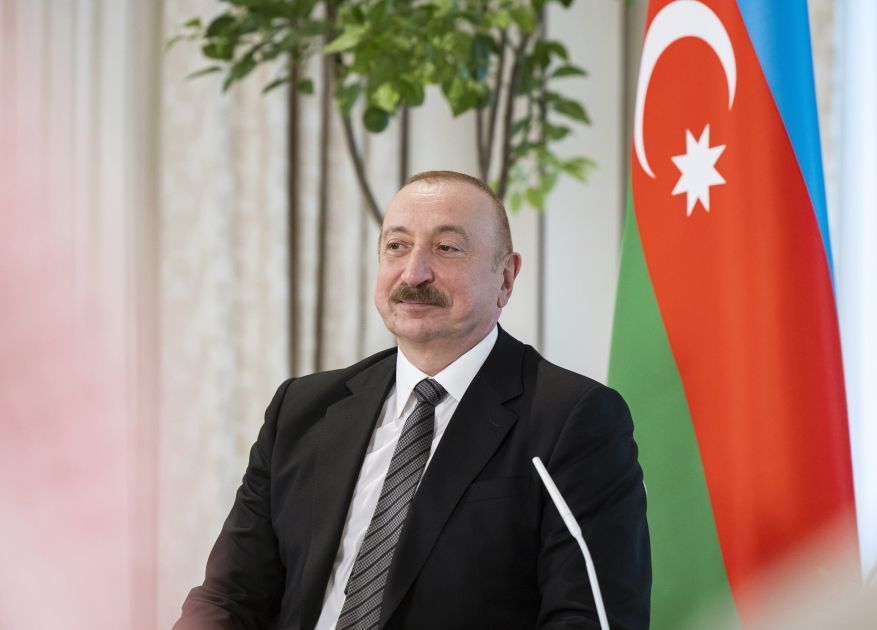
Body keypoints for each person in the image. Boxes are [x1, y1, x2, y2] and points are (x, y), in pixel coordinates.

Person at [174, 170, 651, 630]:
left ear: (506, 277)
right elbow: (227, 597)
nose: (414, 272)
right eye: (397, 246)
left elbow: (590, 619)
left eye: (446, 248)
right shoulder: (303, 409)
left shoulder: (574, 419)